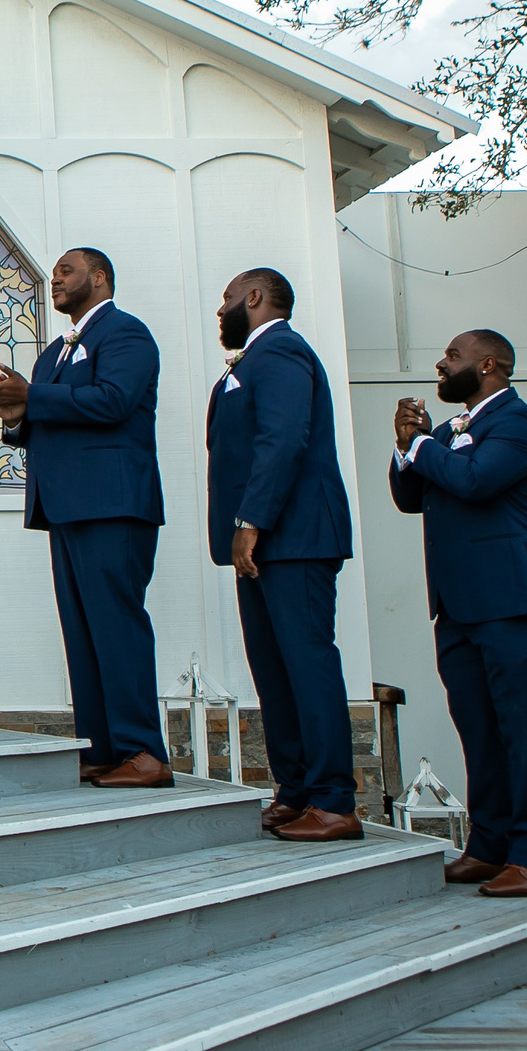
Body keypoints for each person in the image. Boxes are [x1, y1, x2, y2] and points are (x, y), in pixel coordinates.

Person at [391, 330, 527, 898]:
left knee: (520, 730)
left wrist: (423, 448)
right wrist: (406, 447)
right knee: (479, 732)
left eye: (452, 357)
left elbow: (473, 482)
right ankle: (489, 847)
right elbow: (411, 496)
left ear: (488, 365)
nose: (440, 365)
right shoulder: (449, 431)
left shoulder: (521, 424)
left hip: (515, 601)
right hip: (458, 607)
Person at [0, 247, 169, 787]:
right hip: (65, 506)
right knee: (82, 633)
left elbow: (114, 402)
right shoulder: (52, 355)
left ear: (100, 277)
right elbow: (41, 416)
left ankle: (144, 752)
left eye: (67, 271)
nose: (55, 280)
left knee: (117, 626)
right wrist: (15, 414)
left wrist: (33, 396)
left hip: (112, 503)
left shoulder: (125, 334)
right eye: (56, 273)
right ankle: (102, 748)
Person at [206, 269, 359, 840]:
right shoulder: (253, 360)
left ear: (254, 298)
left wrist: (250, 521)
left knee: (308, 665)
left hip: (294, 538)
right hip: (263, 547)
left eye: (227, 299)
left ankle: (334, 800)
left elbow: (284, 438)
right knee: (273, 672)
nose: (220, 309)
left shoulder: (283, 352)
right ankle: (295, 790)